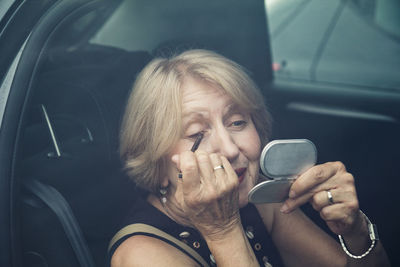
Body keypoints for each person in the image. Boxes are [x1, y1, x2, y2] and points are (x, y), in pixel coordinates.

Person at [109, 49, 390, 266]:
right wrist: (223, 230)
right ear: (156, 161)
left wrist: (355, 232)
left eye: (237, 122)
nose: (230, 150)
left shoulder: (260, 202)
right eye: (196, 133)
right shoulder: (141, 255)